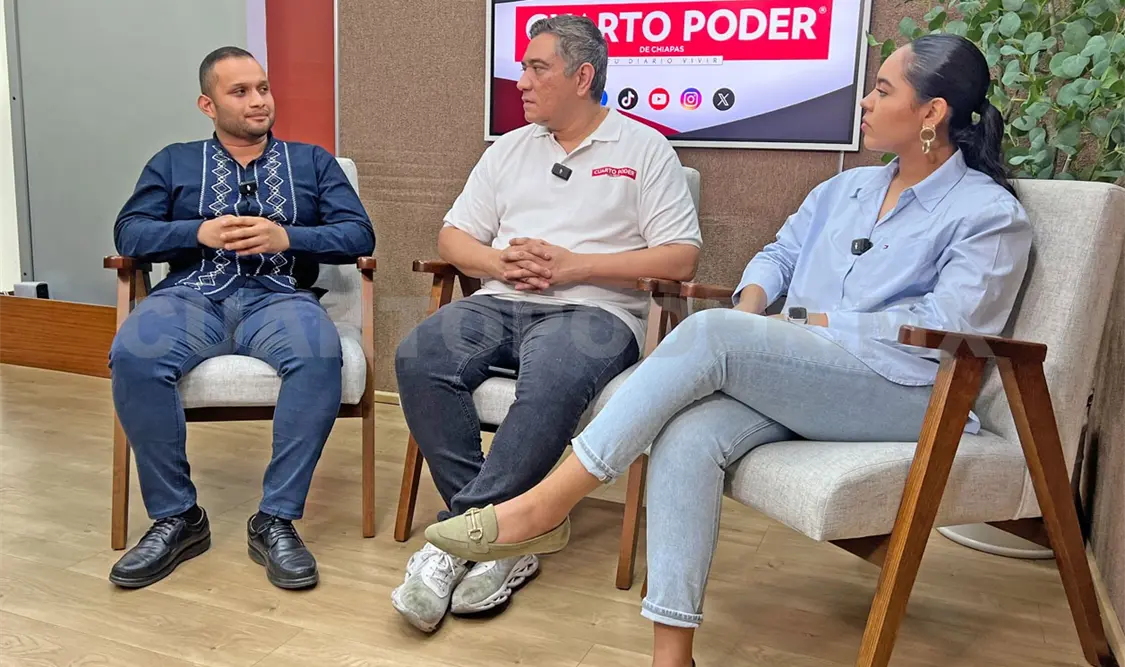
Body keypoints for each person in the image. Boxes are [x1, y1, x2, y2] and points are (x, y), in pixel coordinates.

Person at [423, 33, 1032, 667]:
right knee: (689, 432)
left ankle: (546, 503)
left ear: (932, 113)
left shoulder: (986, 214)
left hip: (909, 394)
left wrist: (803, 324)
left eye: (883, 90)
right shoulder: (843, 191)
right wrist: (752, 314)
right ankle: (671, 655)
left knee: (711, 334)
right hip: (813, 374)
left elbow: (950, 326)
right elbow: (778, 255)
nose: (865, 103)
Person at [391, 15, 701, 632]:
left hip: (594, 310)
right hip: (499, 301)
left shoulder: (644, 148)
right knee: (419, 355)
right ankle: (507, 536)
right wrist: (499, 260)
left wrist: (574, 266)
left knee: (554, 375)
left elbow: (681, 255)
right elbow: (453, 236)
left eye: (538, 68)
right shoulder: (508, 148)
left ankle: (454, 543)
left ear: (583, 76)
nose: (522, 82)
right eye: (522, 68)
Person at [107, 46, 374, 591]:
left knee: (319, 355)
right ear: (207, 104)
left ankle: (275, 519)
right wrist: (194, 231)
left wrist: (289, 237)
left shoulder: (312, 162)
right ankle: (178, 518)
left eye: (263, 88)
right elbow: (129, 232)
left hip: (279, 297)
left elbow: (359, 236)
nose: (259, 101)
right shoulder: (174, 161)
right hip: (190, 298)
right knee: (133, 354)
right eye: (240, 92)